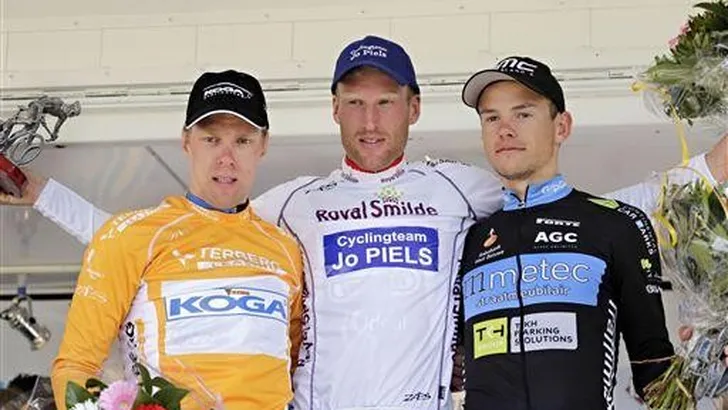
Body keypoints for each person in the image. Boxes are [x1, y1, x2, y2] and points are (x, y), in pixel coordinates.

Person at [2, 36, 726, 410]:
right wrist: (42, 192)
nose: (370, 119)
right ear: (334, 110)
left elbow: (581, 211)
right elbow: (155, 241)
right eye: (354, 101)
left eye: (385, 102)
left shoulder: (458, 188)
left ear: (413, 108)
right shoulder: (293, 204)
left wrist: (709, 170)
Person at [48, 70, 304, 410]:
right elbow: (75, 367)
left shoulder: (285, 249)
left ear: (263, 145)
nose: (226, 158)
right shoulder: (130, 235)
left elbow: (298, 368)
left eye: (242, 141)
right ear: (186, 141)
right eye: (211, 139)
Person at [455, 55, 690, 409]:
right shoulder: (468, 239)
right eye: (492, 118)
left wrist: (707, 366)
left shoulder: (617, 224)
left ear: (561, 127)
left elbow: (654, 369)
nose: (505, 130)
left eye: (523, 114)